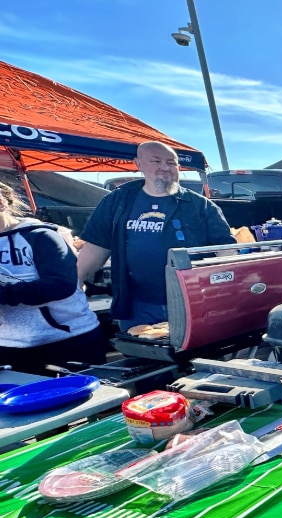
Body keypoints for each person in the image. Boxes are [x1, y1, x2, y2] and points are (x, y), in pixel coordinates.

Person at [76, 141, 235, 330]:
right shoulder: (118, 200)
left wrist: (223, 293)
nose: (165, 168)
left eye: (171, 162)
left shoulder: (201, 206)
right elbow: (97, 245)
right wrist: (75, 283)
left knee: (196, 356)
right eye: (156, 161)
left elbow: (226, 251)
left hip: (192, 302)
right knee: (143, 355)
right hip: (137, 305)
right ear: (139, 164)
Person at [0, 182, 106, 374]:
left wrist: (3, 291)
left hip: (68, 341)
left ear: (1, 203)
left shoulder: (41, 236)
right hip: (9, 347)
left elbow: (61, 285)